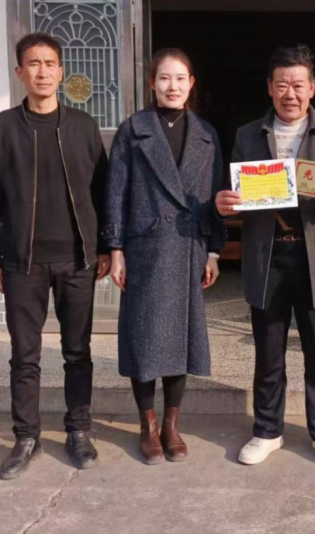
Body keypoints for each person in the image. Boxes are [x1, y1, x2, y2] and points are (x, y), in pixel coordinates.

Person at [216, 45, 315, 470]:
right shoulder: (248, 134)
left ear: (313, 88)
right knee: (268, 352)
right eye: (282, 85)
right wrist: (226, 203)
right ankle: (267, 430)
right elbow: (236, 193)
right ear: (269, 88)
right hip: (269, 258)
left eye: (298, 85)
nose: (290, 93)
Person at [0, 32, 110, 480]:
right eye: (33, 64)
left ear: (61, 71)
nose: (42, 72)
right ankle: (26, 436)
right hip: (22, 262)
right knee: (25, 355)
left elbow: (102, 191)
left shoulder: (83, 126)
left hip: (76, 260)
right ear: (20, 72)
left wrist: (104, 246)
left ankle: (79, 429)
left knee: (78, 352)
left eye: (50, 63)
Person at [104, 48, 225, 464]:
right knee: (144, 338)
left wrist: (213, 250)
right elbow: (116, 192)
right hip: (145, 247)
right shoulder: (133, 130)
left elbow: (215, 194)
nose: (172, 86)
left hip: (189, 245)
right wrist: (115, 248)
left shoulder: (206, 134)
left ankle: (172, 425)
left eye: (180, 78)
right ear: (151, 83)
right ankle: (148, 425)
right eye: (164, 78)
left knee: (180, 338)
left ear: (192, 84)